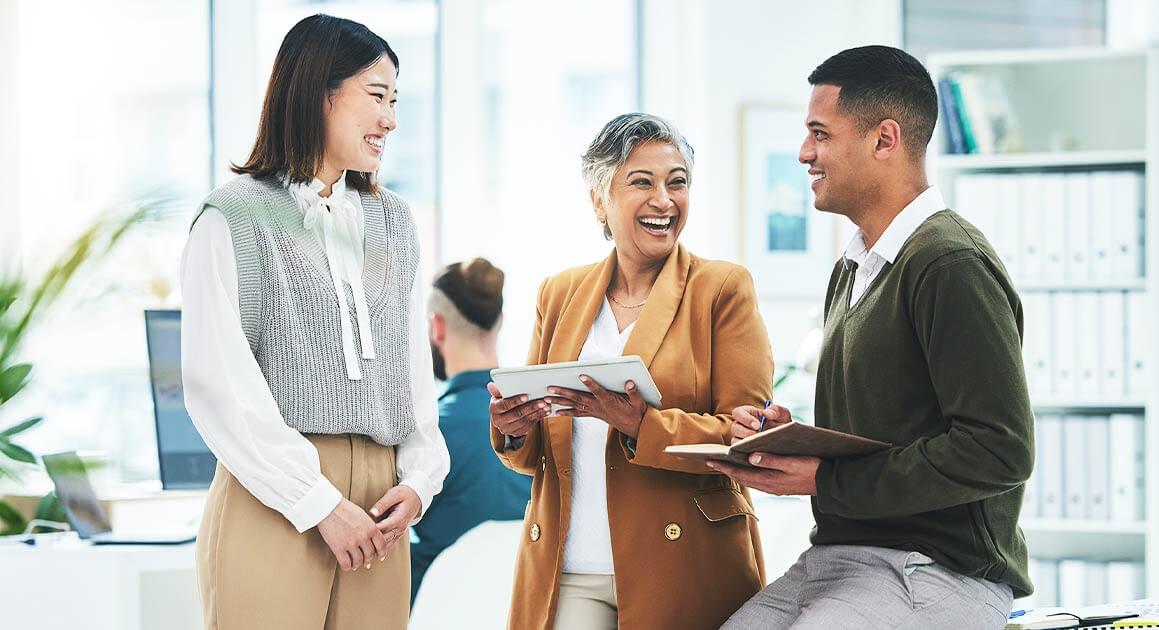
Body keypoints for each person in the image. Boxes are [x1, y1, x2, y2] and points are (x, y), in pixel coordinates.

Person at [713, 45, 1033, 630]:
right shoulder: (856, 266)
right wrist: (787, 437)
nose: (804, 153)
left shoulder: (949, 263)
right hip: (839, 558)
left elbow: (999, 450)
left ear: (884, 140)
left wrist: (826, 479)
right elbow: (880, 429)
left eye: (820, 134)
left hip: (932, 570)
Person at [180, 14, 449, 629]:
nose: (391, 119)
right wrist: (316, 501)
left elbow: (410, 370)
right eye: (376, 96)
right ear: (317, 93)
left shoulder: (394, 223)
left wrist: (420, 481)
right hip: (274, 498)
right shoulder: (233, 219)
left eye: (395, 100)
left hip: (381, 507)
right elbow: (221, 388)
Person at [487, 113, 773, 629]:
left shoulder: (721, 289)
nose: (664, 200)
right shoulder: (559, 293)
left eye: (677, 182)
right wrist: (513, 431)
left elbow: (747, 439)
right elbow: (538, 455)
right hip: (570, 567)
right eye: (642, 182)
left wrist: (643, 425)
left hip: (683, 564)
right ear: (600, 200)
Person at [409, 258, 531, 602]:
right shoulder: (540, 425)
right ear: (500, 323)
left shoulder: (429, 432)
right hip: (522, 609)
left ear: (437, 327)